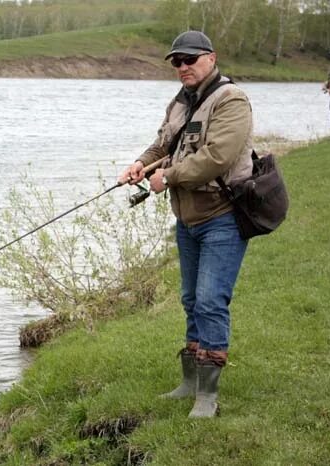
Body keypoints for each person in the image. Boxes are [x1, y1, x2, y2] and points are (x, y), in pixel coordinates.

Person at [118, 30, 253, 418]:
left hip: (223, 217)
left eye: (190, 59)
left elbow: (217, 157)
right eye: (176, 61)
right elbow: (164, 145)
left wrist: (169, 177)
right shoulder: (179, 102)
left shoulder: (232, 101)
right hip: (188, 218)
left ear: (211, 57)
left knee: (211, 301)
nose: (182, 67)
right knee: (191, 299)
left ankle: (207, 396)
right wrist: (141, 164)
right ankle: (190, 382)